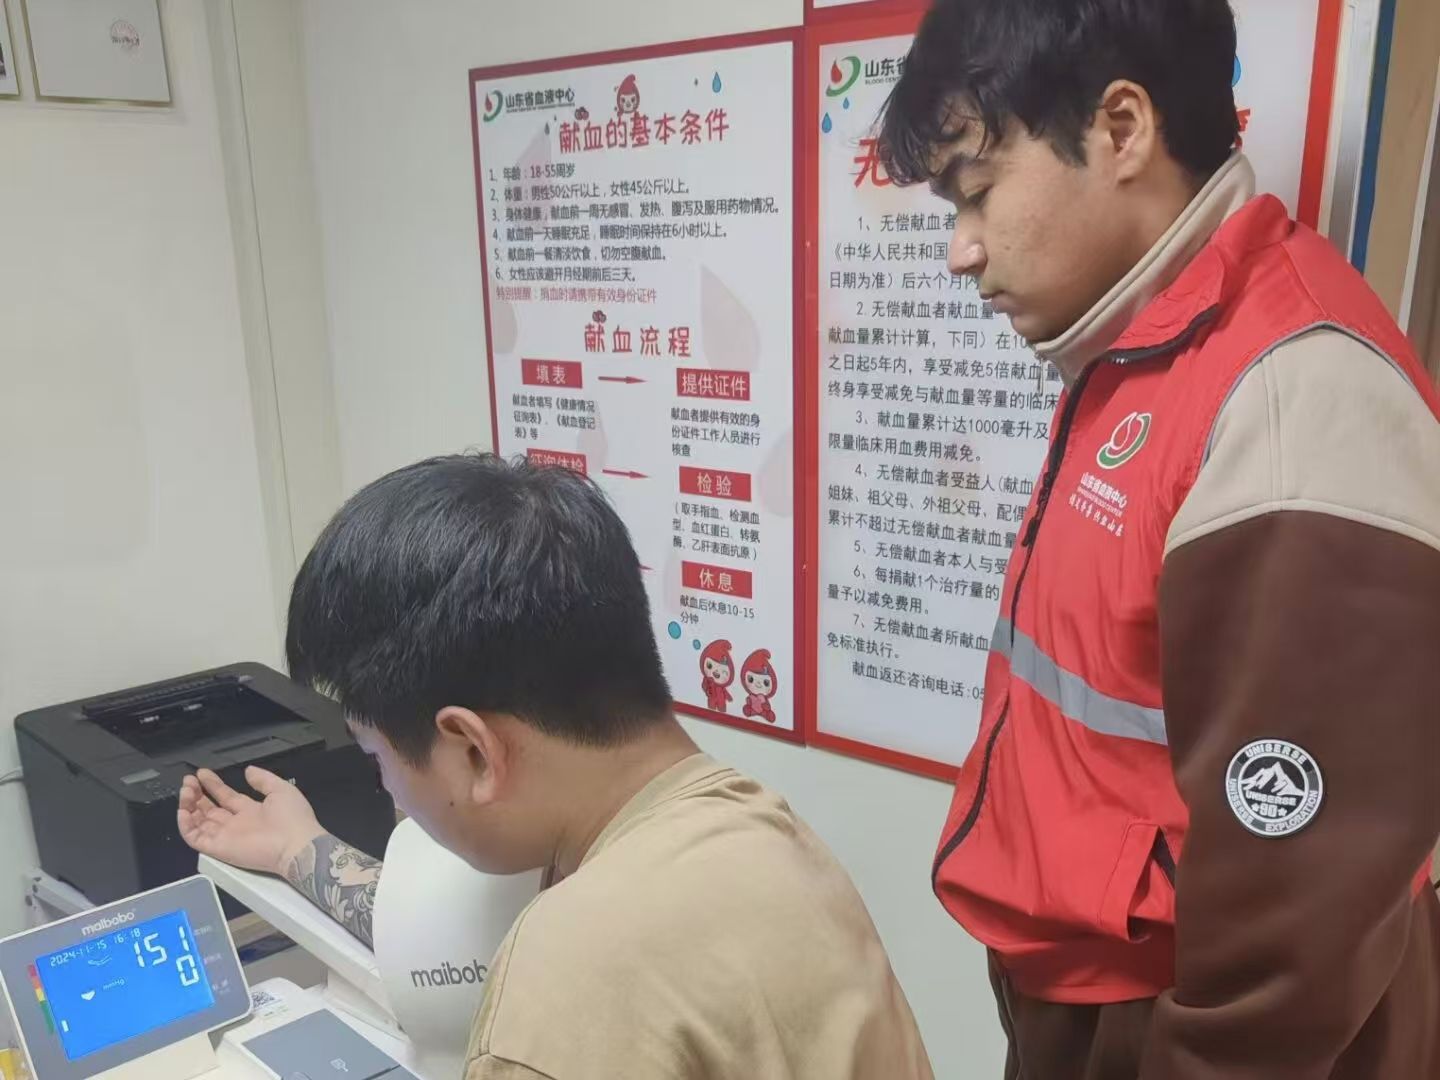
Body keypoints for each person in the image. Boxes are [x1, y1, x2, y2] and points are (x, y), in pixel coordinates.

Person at [878, 1, 1440, 1077]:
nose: (961, 251)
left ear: (1122, 129)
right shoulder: (1143, 340)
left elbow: (1298, 938)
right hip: (1088, 998)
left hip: (1175, 1029)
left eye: (978, 192)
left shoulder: (1291, 400)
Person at [179, 454, 933, 1080]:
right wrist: (297, 848)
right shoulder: (767, 838)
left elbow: (581, 980)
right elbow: (427, 920)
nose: (389, 790)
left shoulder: (565, 982)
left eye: (377, 757)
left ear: (473, 750)